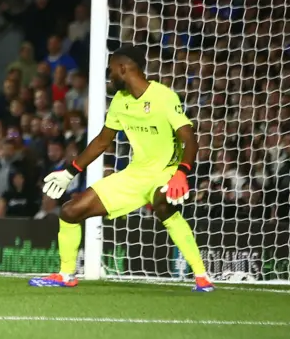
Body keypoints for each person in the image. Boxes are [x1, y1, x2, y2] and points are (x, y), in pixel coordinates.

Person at [29, 46, 214, 292]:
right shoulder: (120, 101)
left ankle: (201, 277)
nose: (110, 75)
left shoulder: (164, 97)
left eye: (112, 70)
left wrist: (182, 172)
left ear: (123, 69)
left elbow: (189, 139)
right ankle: (65, 275)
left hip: (167, 170)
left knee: (162, 203)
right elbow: (102, 141)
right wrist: (69, 172)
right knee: (70, 211)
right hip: (135, 175)